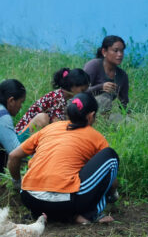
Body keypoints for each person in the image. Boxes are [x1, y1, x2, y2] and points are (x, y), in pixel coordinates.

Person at [8, 92, 119, 224]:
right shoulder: (96, 137)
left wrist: (17, 182)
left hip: (30, 199)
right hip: (64, 203)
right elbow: (108, 179)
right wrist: (112, 194)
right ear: (91, 116)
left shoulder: (50, 128)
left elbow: (13, 156)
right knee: (111, 156)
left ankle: (60, 215)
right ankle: (92, 214)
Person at [15, 68, 90, 140]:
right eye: (82, 90)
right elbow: (57, 126)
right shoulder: (57, 98)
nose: (83, 94)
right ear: (73, 86)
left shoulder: (63, 97)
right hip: (23, 135)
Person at [83, 36, 129, 113]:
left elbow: (124, 102)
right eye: (116, 50)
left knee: (129, 121)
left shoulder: (122, 75)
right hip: (84, 109)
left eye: (122, 51)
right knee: (104, 99)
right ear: (104, 52)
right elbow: (79, 92)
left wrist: (127, 115)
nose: (120, 54)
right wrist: (100, 87)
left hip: (105, 115)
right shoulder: (93, 65)